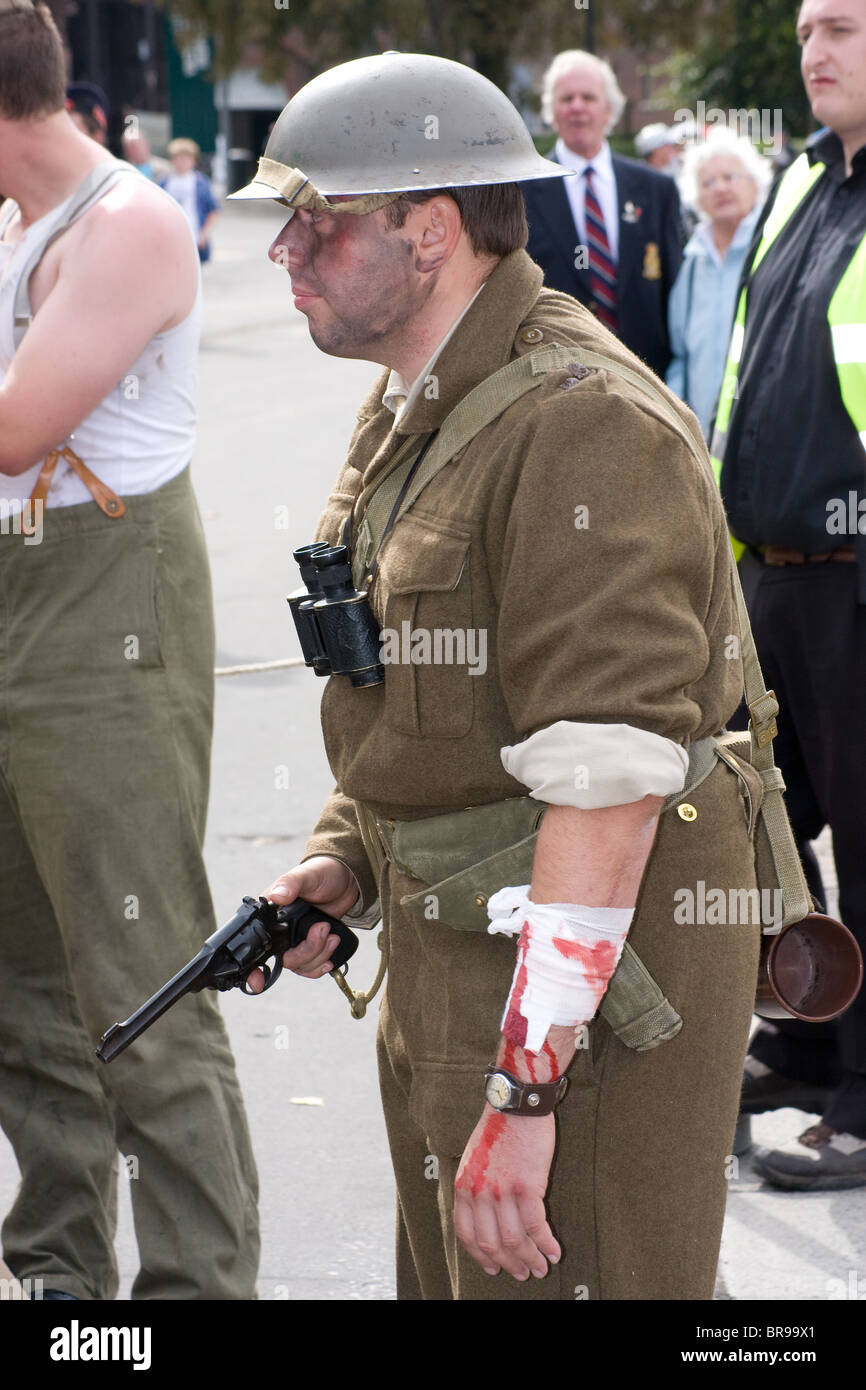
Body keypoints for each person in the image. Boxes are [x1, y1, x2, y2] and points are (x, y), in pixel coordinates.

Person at [232, 49, 766, 1300]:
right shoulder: (419, 399)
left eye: (315, 222)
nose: (283, 253)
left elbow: (610, 782)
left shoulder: (578, 421)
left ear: (427, 232)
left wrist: (528, 1087)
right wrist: (341, 853)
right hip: (459, 947)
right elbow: (409, 682)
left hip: (582, 997)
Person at [0, 0, 259, 1298]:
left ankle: (193, 1289)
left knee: (138, 971)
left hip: (108, 601)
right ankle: (58, 1269)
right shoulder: (17, 226)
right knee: (19, 977)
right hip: (18, 593)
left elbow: (14, 427)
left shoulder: (132, 223)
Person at [711, 0, 866, 1189]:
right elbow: (744, 369)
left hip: (855, 579)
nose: (815, 51)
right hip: (767, 577)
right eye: (809, 28)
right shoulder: (800, 179)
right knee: (752, 822)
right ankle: (813, 1047)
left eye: (844, 29)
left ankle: (862, 1096)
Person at [521, 49, 683, 377]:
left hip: (646, 376)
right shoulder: (521, 194)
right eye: (567, 98)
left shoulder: (656, 190)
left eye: (588, 97)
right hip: (555, 378)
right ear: (551, 110)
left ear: (609, 108)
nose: (577, 106)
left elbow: (674, 288)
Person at [667, 129, 771, 438]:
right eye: (708, 182)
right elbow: (681, 354)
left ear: (756, 184)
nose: (720, 188)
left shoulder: (771, 249)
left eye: (730, 177)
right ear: (696, 198)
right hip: (701, 432)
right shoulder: (693, 261)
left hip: (762, 428)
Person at [159, 138, 220, 264]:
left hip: (193, 234)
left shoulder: (200, 182)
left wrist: (204, 233)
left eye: (185, 158)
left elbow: (213, 210)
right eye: (177, 158)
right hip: (170, 235)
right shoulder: (165, 182)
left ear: (193, 161)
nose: (181, 162)